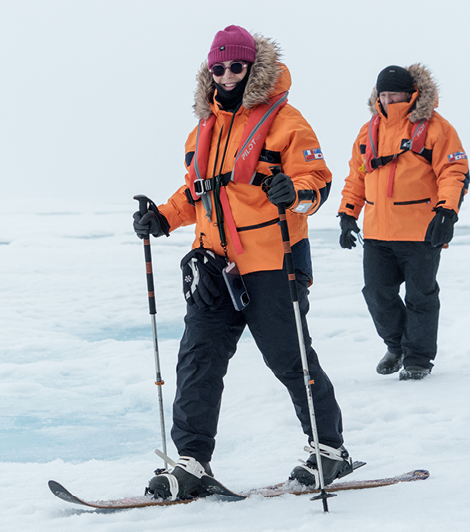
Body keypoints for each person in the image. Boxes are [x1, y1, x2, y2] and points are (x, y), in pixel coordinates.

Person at [133, 25, 353, 500]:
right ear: (209, 72)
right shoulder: (201, 130)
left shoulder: (287, 122)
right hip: (214, 267)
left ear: (252, 67)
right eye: (219, 67)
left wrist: (294, 192)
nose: (227, 75)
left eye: (236, 66)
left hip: (274, 262)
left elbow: (318, 183)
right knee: (198, 360)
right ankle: (191, 461)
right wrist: (162, 218)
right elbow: (196, 192)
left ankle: (330, 451)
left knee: (290, 359)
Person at [337, 64, 470, 381]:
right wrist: (347, 215)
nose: (387, 99)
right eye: (382, 93)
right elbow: (357, 176)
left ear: (411, 94)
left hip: (421, 232)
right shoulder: (368, 130)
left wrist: (446, 212)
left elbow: (454, 173)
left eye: (393, 93)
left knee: (420, 297)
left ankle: (418, 359)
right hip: (377, 233)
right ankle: (396, 346)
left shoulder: (437, 128)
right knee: (376, 293)